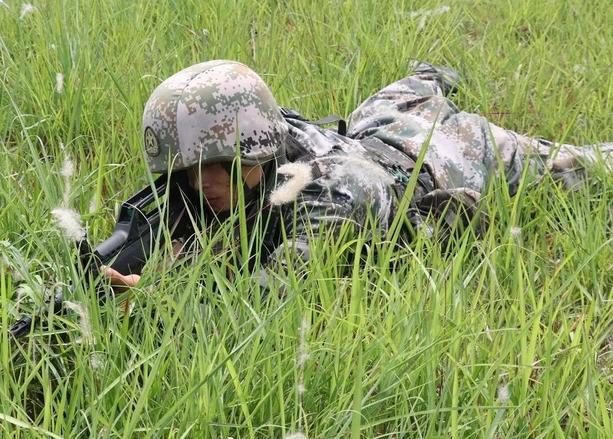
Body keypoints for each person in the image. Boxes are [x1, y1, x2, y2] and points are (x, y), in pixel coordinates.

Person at [102, 59, 613, 292]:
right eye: (189, 172)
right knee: (412, 86)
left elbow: (267, 295)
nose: (203, 184)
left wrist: (161, 299)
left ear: (258, 151)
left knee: (582, 167)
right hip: (372, 127)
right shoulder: (265, 138)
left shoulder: (332, 195)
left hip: (443, 156)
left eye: (219, 166)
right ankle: (436, 75)